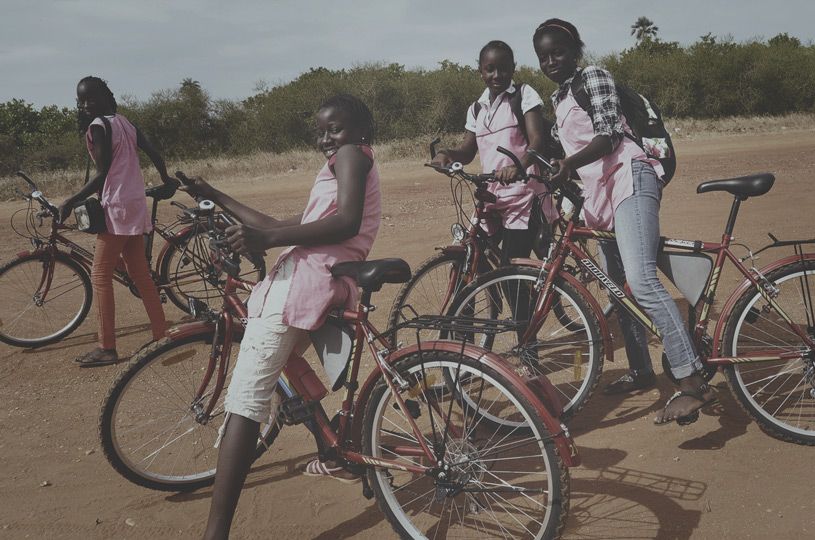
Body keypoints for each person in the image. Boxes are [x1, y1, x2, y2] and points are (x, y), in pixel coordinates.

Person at [180, 94, 381, 540]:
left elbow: (346, 222)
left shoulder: (351, 156)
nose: (327, 138)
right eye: (321, 131)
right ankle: (331, 451)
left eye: (336, 128)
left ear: (361, 131)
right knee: (284, 368)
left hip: (301, 287)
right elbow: (287, 223)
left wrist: (269, 236)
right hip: (319, 284)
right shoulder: (350, 160)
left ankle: (215, 534)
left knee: (245, 404)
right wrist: (216, 195)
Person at [532, 19, 716, 425]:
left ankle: (690, 381)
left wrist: (570, 164)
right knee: (619, 290)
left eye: (558, 52)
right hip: (602, 195)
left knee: (641, 279)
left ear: (575, 51)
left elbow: (610, 136)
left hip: (632, 177)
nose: (551, 61)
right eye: (543, 56)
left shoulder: (593, 77)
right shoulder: (559, 99)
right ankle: (641, 370)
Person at [59, 76, 177, 367]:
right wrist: (165, 179)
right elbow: (152, 150)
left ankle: (106, 347)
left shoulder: (99, 127)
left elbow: (102, 174)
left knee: (100, 276)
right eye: (82, 100)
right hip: (135, 204)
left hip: (117, 208)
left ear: (106, 96)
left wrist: (69, 201)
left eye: (91, 98)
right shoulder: (124, 122)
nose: (86, 105)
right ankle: (162, 334)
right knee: (141, 274)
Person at [431, 40, 558, 262]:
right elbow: (467, 151)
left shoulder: (523, 95)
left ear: (513, 68)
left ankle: (534, 295)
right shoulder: (476, 108)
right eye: (490, 69)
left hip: (524, 196)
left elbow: (537, 141)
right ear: (480, 71)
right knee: (471, 252)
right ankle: (491, 295)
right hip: (490, 195)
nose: (497, 75)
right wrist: (446, 154)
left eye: (504, 68)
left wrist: (518, 166)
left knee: (512, 270)